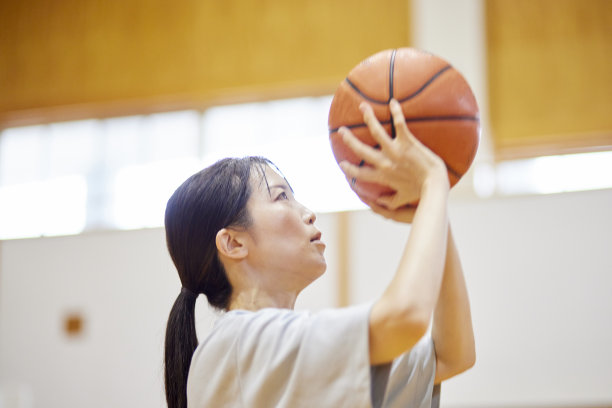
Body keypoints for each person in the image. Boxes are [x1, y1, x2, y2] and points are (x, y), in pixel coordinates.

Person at [163, 99, 475, 408]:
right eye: (281, 197)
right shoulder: (235, 343)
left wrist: (429, 204)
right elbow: (404, 317)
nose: (308, 213)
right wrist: (433, 183)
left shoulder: (293, 353)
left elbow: (451, 356)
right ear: (233, 244)